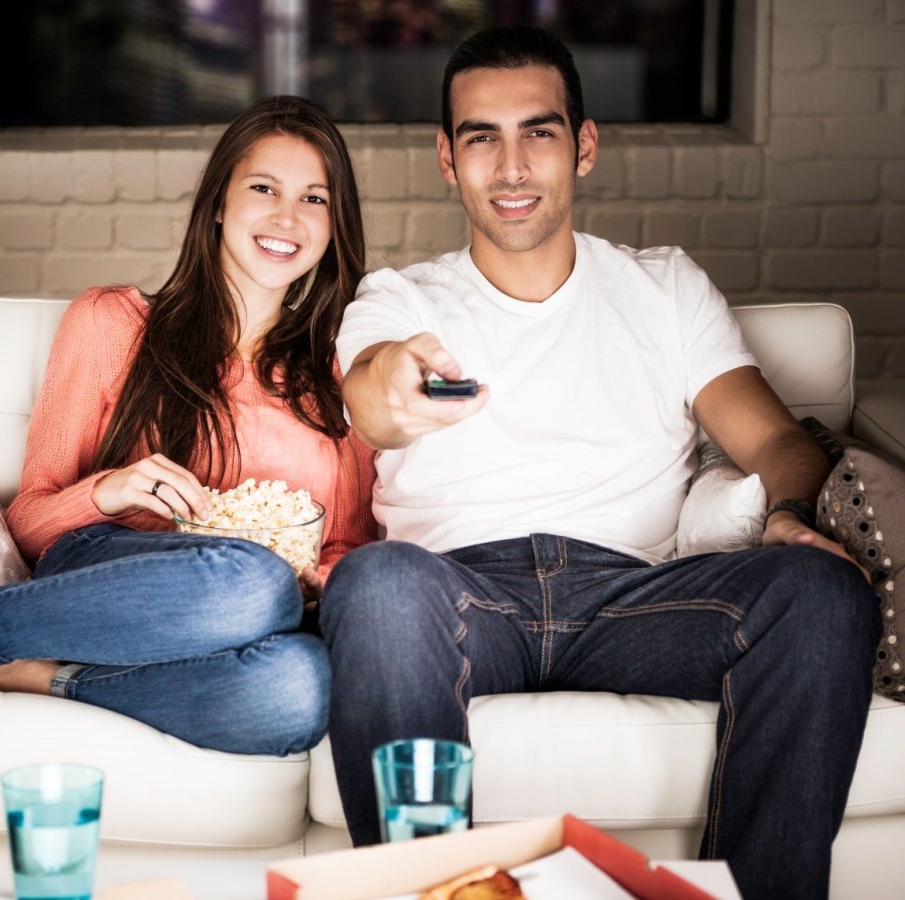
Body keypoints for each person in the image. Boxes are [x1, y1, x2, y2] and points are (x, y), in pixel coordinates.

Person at [322, 25, 879, 899]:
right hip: (459, 596)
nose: (510, 166)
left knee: (824, 594)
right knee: (377, 586)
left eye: (537, 132)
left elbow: (774, 442)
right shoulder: (399, 297)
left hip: (639, 598)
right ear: (446, 156)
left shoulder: (663, 288)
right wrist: (391, 388)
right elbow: (368, 396)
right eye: (481, 137)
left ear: (582, 146)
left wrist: (785, 516)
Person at [0, 95, 378, 758]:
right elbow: (29, 524)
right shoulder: (114, 324)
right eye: (263, 188)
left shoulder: (348, 369)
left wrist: (323, 577)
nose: (288, 216)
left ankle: (36, 673)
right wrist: (108, 491)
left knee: (300, 688)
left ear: (335, 225)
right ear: (218, 202)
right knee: (252, 581)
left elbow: (347, 548)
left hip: (252, 615)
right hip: (107, 568)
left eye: (314, 199)